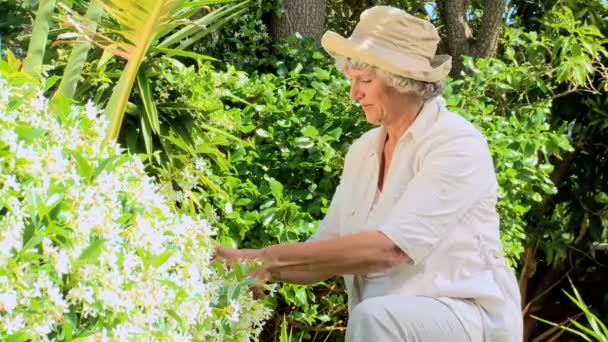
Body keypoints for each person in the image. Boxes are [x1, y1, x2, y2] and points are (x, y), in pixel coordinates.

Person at [216, 6, 523, 342]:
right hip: (386, 319)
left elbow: (391, 250)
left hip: (469, 317)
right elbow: (325, 254)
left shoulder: (456, 144)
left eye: (364, 81)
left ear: (403, 82)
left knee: (376, 318)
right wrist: (246, 264)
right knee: (376, 316)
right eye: (352, 80)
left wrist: (268, 260)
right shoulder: (363, 151)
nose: (353, 93)